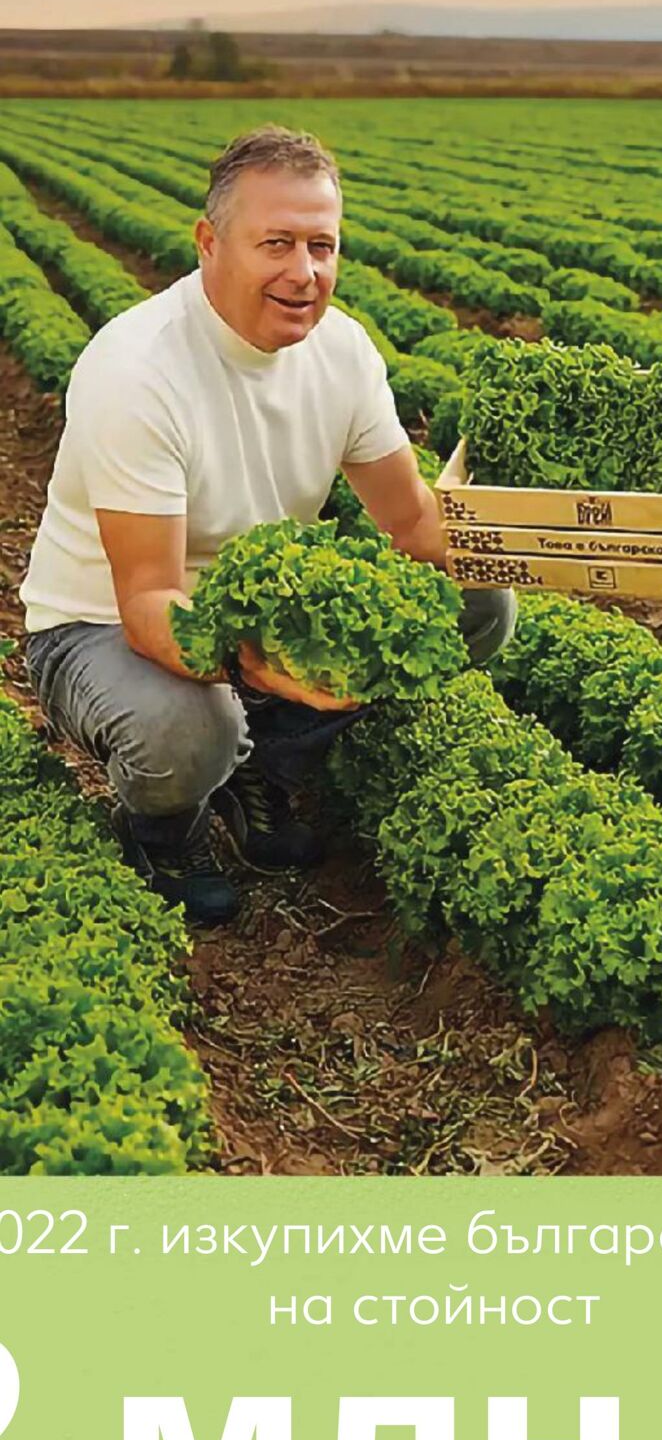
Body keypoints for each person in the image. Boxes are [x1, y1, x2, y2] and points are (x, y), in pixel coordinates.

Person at [21, 124, 515, 926]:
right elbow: (149, 601)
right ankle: (163, 828)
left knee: (481, 604)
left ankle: (264, 763)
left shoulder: (343, 351)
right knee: (190, 731)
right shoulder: (137, 369)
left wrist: (584, 542)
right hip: (102, 626)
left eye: (322, 245)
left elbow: (416, 523)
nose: (304, 272)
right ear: (209, 243)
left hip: (251, 616)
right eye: (275, 243)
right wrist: (261, 670)